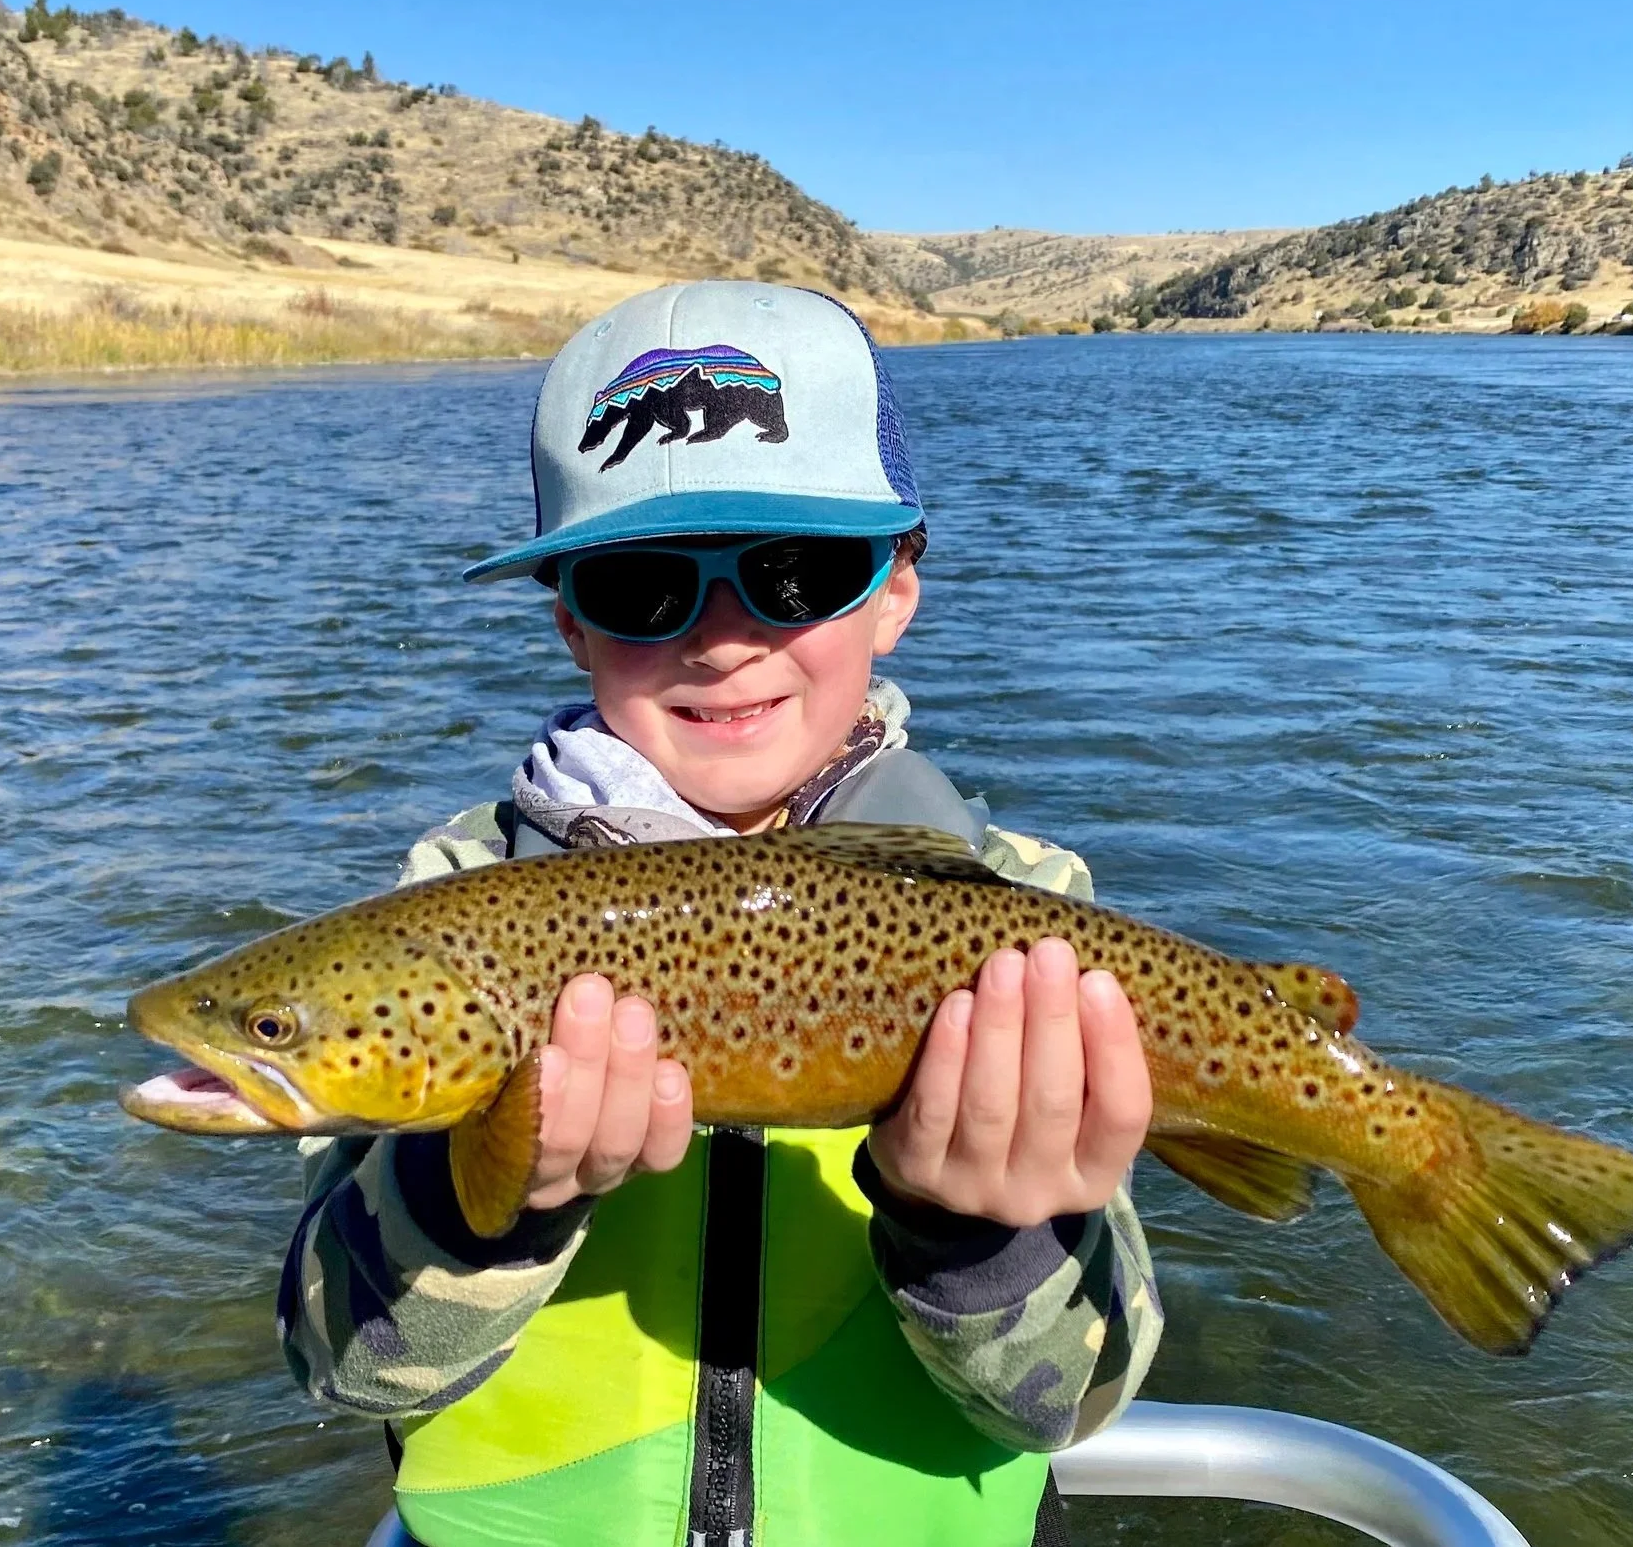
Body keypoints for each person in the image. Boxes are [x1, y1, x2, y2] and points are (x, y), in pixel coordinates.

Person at [276, 282, 1162, 1547]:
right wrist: (480, 1201)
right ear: (573, 617)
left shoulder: (1028, 916)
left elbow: (1074, 1399)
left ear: (895, 588)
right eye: (645, 586)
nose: (724, 639)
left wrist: (975, 1233)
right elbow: (339, 1367)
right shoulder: (441, 917)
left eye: (795, 573)